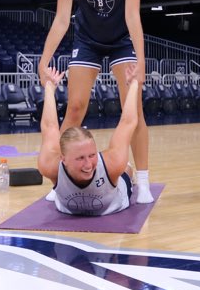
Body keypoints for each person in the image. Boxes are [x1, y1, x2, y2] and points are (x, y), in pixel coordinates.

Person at [37, 0, 153, 204]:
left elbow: (132, 15)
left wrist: (141, 59)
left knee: (133, 110)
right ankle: (59, 179)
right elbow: (62, 19)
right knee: (75, 107)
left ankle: (144, 180)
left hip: (121, 41)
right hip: (87, 41)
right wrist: (44, 59)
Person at [37, 66, 141, 216]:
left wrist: (133, 85)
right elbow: (49, 127)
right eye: (80, 158)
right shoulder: (49, 166)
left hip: (114, 202)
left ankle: (129, 170)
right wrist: (49, 87)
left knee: (125, 169)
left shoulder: (112, 164)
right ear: (63, 159)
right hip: (69, 204)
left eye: (92, 155)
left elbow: (128, 122)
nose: (88, 165)